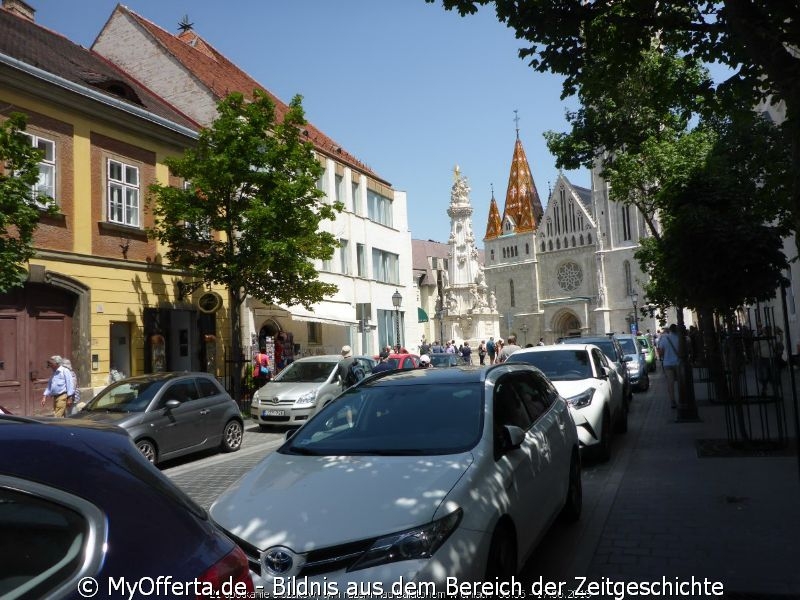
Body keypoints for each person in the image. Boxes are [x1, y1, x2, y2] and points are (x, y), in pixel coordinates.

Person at [657, 324, 682, 408]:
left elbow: (660, 352)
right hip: (678, 363)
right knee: (680, 382)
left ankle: (672, 401)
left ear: (670, 330)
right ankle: (681, 400)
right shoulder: (679, 338)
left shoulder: (664, 338)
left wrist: (664, 355)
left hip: (667, 363)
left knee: (670, 383)